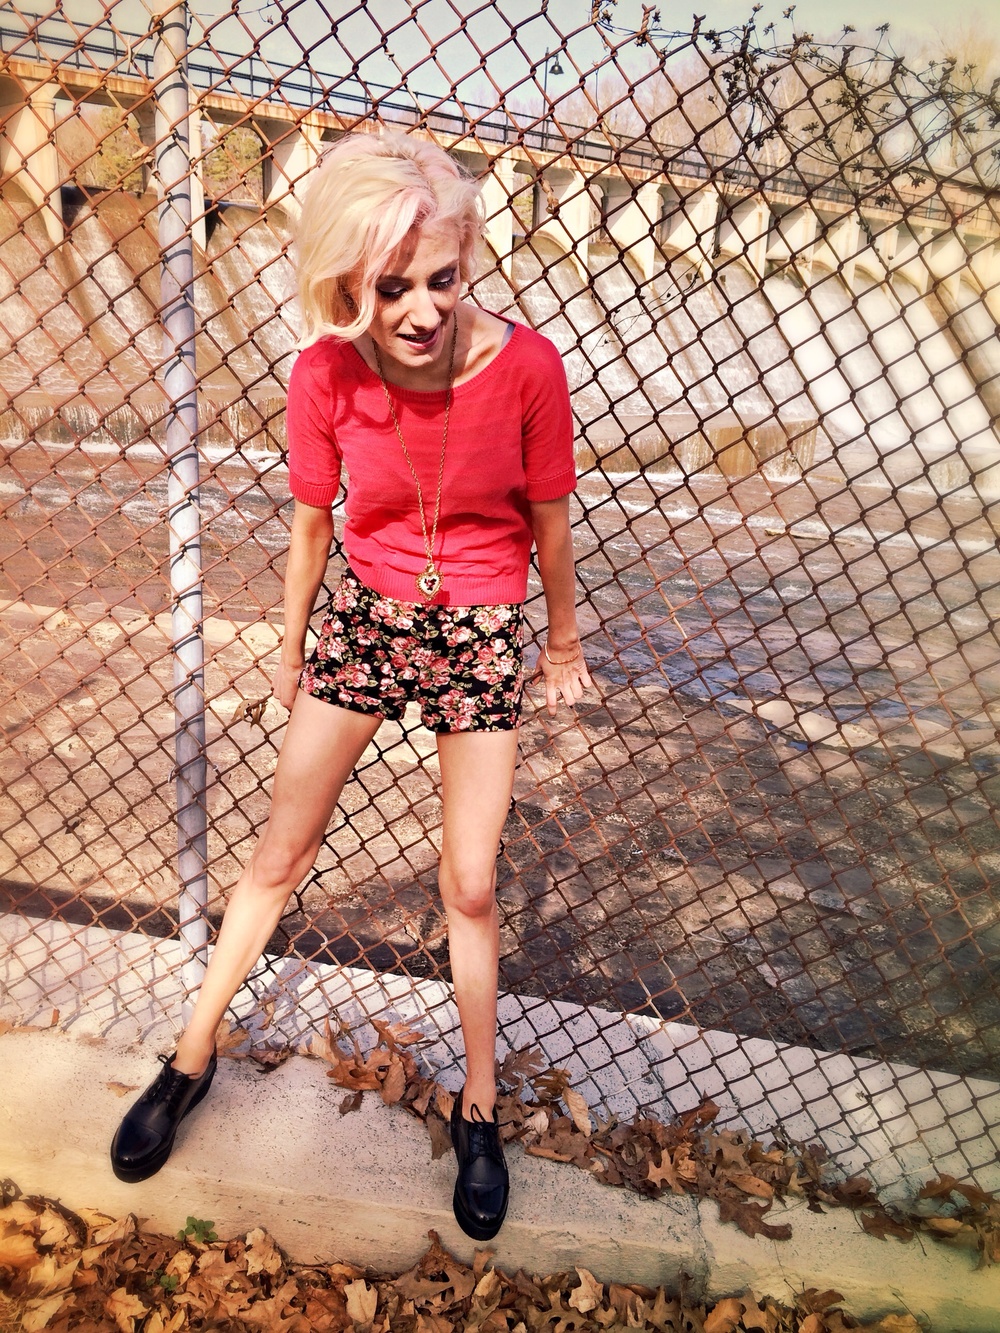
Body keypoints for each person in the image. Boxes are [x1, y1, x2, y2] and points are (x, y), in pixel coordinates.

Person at [110, 130, 591, 1241]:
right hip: (364, 623)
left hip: (477, 630)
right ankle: (189, 1060)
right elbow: (312, 525)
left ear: (469, 258)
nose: (420, 309)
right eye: (389, 287)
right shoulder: (325, 371)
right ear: (344, 280)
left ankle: (477, 1108)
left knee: (467, 884)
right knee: (278, 854)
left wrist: (560, 641)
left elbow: (551, 524)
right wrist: (290, 648)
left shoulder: (528, 368)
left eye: (442, 279)